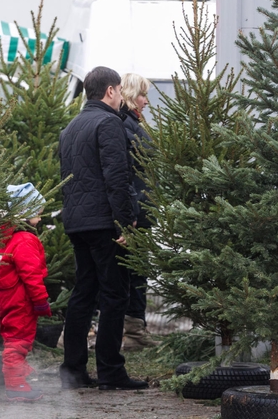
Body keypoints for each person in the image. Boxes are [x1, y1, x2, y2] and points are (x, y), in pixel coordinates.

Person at [58, 66, 148, 391]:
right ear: (110, 91)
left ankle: (73, 371)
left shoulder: (70, 127)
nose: (122, 96)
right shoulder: (108, 123)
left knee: (83, 293)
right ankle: (111, 372)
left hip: (77, 222)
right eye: (121, 91)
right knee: (115, 294)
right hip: (104, 223)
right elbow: (117, 176)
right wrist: (126, 222)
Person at [0, 182, 51, 402]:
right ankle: (15, 385)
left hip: (5, 301)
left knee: (13, 339)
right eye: (37, 214)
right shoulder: (25, 240)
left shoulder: (3, 239)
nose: (41, 218)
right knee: (18, 341)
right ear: (25, 214)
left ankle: (19, 376)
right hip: (21, 301)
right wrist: (41, 301)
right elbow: (31, 275)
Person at [118, 73, 160, 351]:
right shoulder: (123, 126)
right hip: (133, 213)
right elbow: (126, 175)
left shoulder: (134, 124)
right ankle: (127, 331)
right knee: (127, 272)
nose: (146, 100)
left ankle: (135, 329)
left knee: (137, 271)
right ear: (131, 95)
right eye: (142, 95)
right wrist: (129, 215)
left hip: (141, 210)